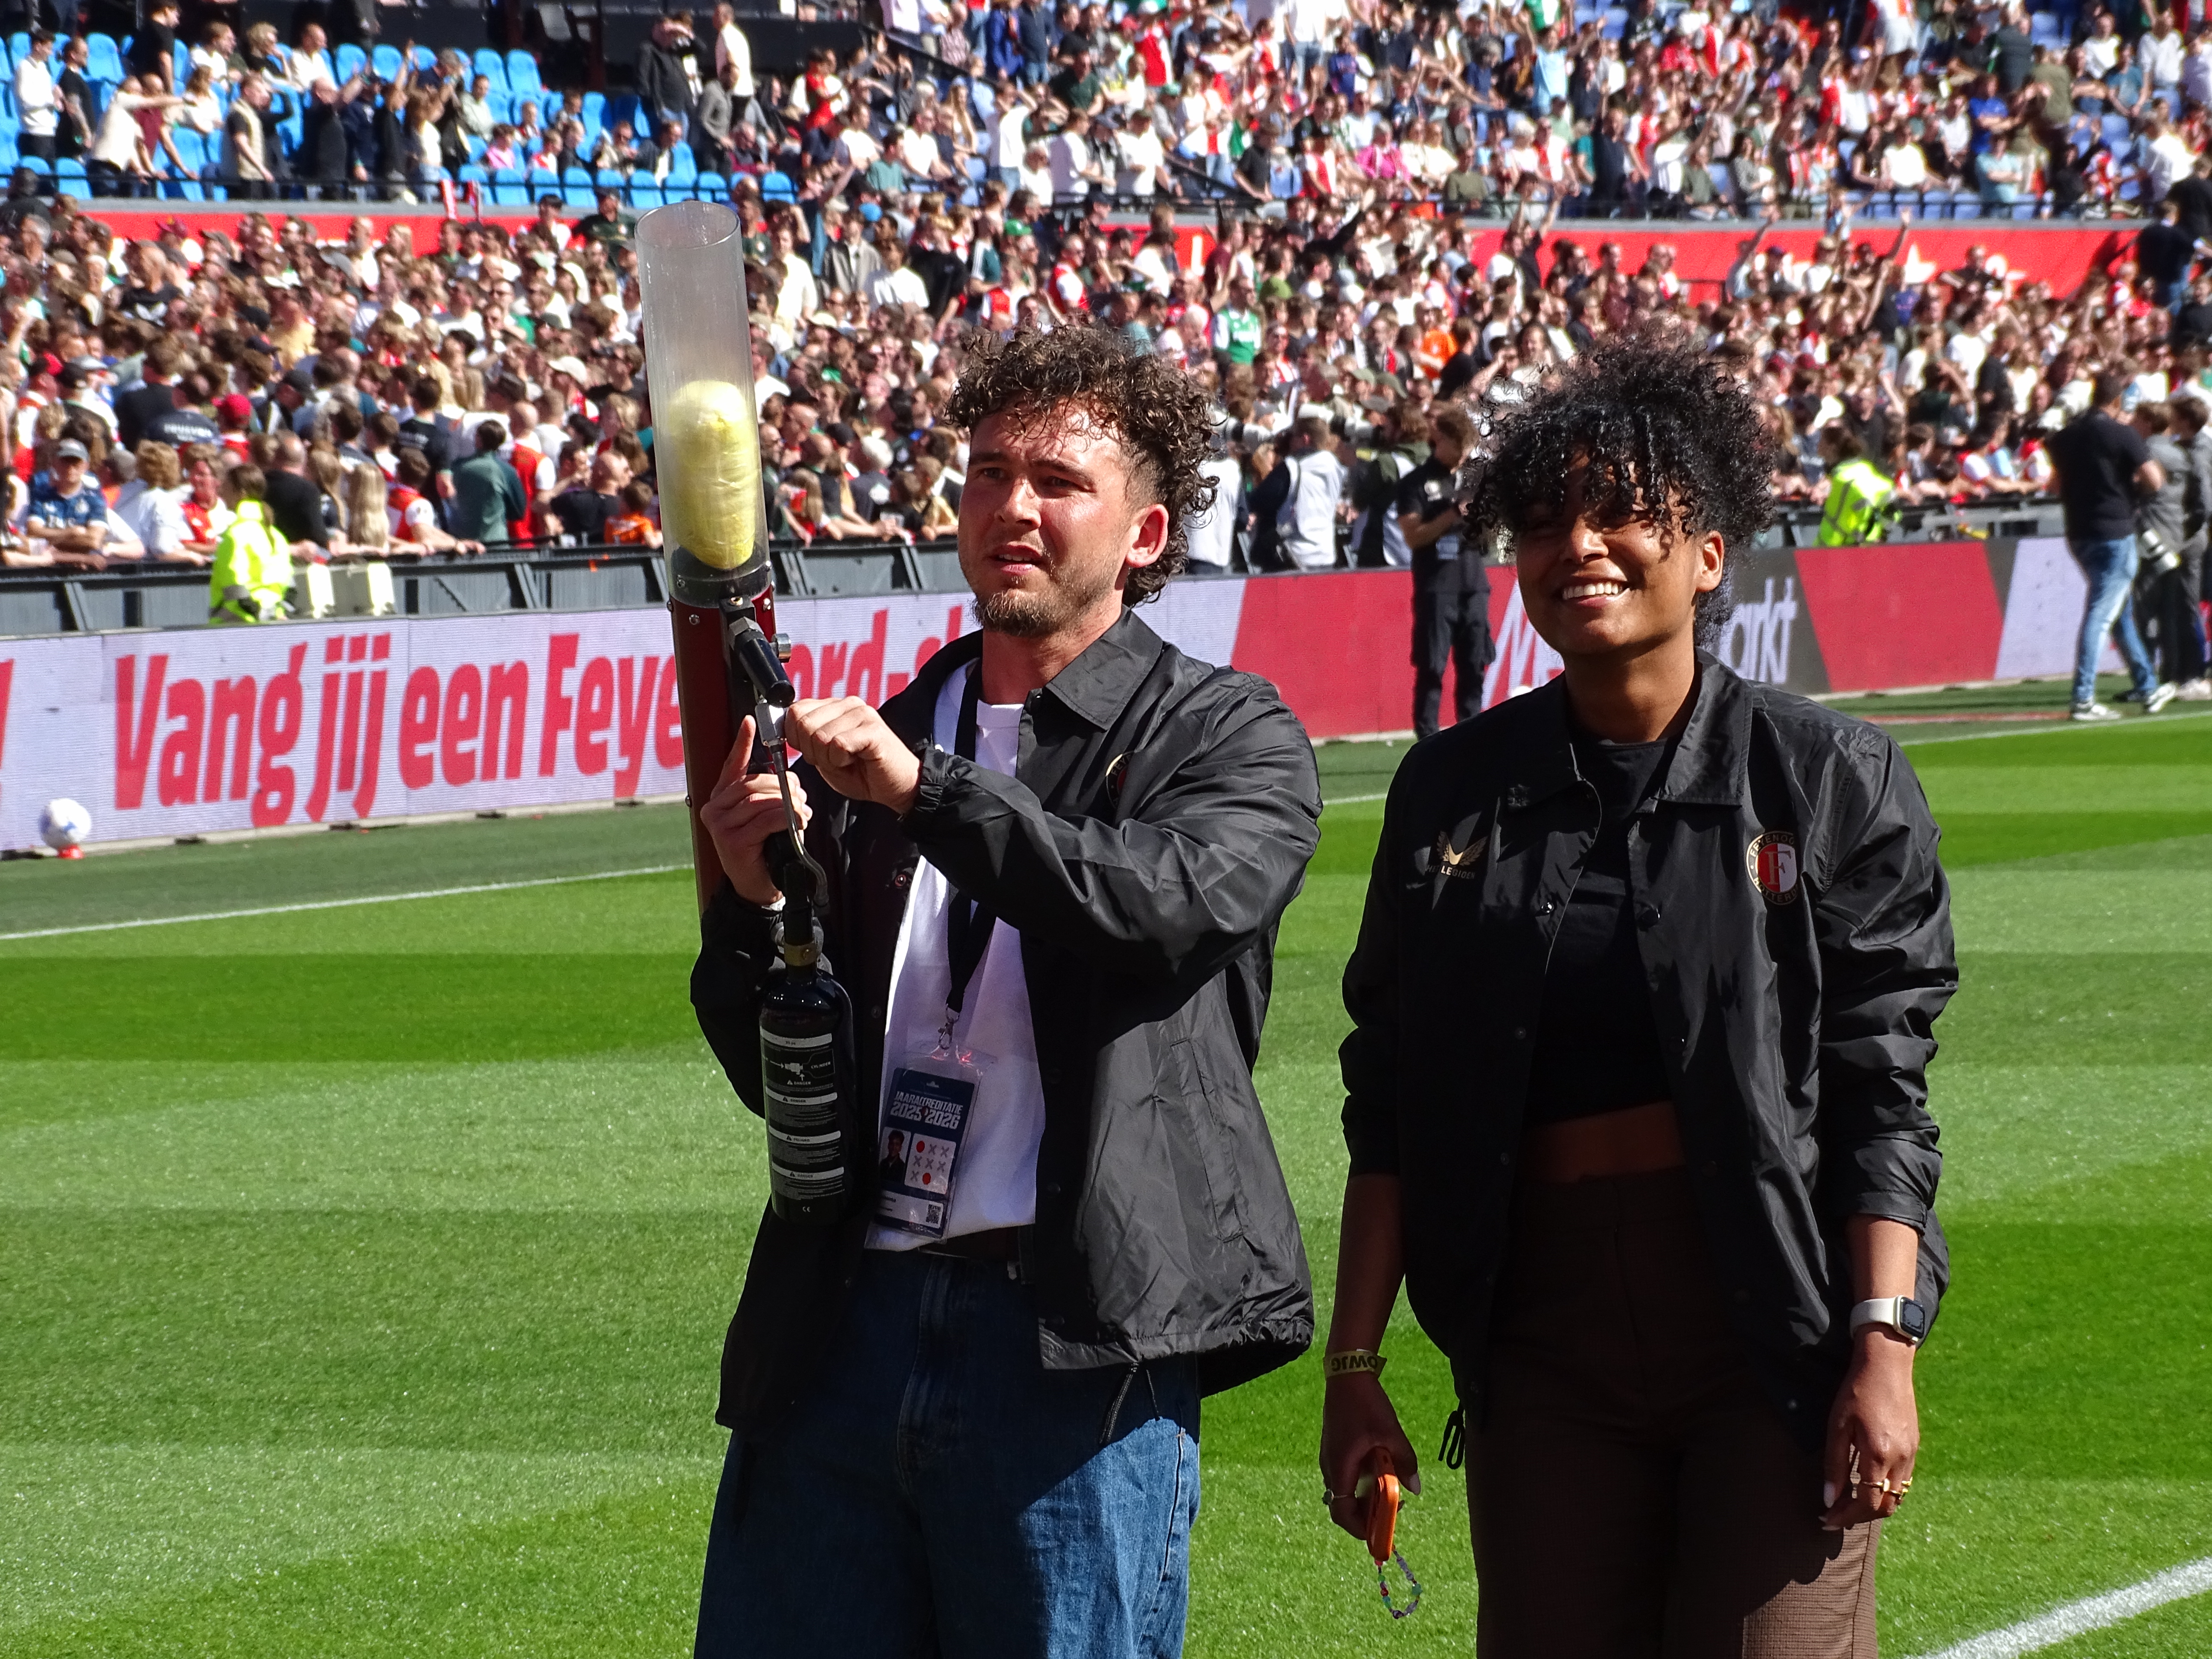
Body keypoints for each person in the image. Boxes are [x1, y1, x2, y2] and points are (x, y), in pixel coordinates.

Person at [689, 323, 1321, 1659]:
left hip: (1072, 1348)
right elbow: (777, 1072)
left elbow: (1150, 909)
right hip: (842, 1325)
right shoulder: (892, 733)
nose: (1011, 507)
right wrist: (752, 911)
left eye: (1057, 480)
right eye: (985, 473)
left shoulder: (1229, 734)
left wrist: (931, 793)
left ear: (1145, 532)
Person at [1325, 340, 1958, 1658]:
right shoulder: (1449, 790)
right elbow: (1387, 1097)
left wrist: (1881, 1346)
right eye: (1548, 521)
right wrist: (1357, 1369)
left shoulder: (1830, 773)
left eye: (1623, 513)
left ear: (1710, 554)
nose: (1582, 547)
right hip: (1540, 1343)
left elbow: (1879, 1084)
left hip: (1768, 1331)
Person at [2045, 369, 2180, 720]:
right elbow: (2155, 480)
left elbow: (2054, 486)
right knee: (2102, 614)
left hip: (2079, 531)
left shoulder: (2066, 437)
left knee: (2117, 612)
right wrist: (2130, 490)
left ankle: (2147, 685)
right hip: (2115, 529)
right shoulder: (2122, 435)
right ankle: (2084, 697)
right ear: (2118, 400)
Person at [1400, 404, 1491, 737]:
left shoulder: (1474, 479)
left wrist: (1480, 517)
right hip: (1437, 586)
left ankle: (1473, 733)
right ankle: (1426, 737)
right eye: (1460, 446)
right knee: (1432, 666)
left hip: (1474, 583)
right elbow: (1413, 535)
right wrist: (1451, 514)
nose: (1464, 455)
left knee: (1474, 664)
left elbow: (1493, 532)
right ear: (1442, 440)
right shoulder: (1416, 483)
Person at [209, 464, 294, 622]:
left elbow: (234, 584)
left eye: (226, 487)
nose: (221, 492)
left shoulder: (236, 534)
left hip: (236, 622)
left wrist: (255, 613)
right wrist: (278, 612)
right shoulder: (276, 535)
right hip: (275, 617)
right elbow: (289, 583)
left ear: (241, 494)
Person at [1817, 425, 1900, 544]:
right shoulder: (1864, 469)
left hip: (1838, 550)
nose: (1818, 445)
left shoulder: (1842, 479)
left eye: (1821, 441)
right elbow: (1892, 502)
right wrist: (1883, 535)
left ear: (1832, 448)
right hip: (1864, 549)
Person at [449, 419, 527, 544]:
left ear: (478, 439)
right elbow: (518, 511)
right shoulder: (506, 471)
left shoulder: (457, 467)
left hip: (460, 542)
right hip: (495, 543)